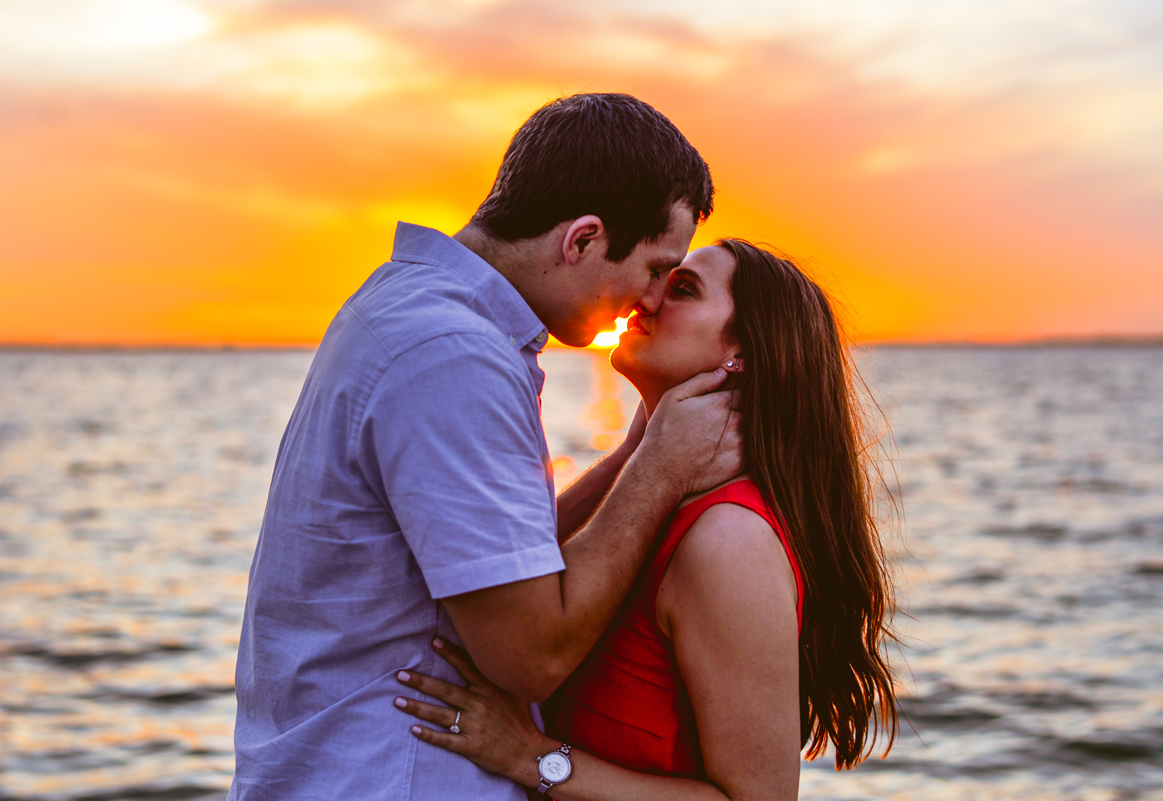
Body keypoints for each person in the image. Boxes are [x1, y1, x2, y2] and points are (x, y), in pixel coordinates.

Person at [228, 94, 743, 800]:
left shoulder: (411, 311)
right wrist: (660, 469)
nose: (650, 300)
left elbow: (503, 559)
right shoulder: (453, 355)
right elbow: (533, 653)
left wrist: (633, 456)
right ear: (583, 240)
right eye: (655, 269)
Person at [392, 240, 900, 799]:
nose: (648, 296)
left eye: (681, 288)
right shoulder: (650, 499)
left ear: (743, 352)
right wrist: (639, 453)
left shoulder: (727, 541)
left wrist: (530, 757)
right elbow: (522, 577)